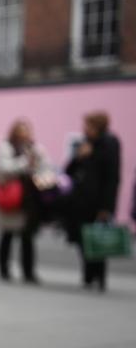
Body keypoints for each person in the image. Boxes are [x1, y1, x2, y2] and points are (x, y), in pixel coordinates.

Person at [64, 111, 121, 292]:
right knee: (83, 238)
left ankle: (100, 277)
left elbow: (112, 178)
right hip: (81, 201)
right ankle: (88, 275)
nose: (85, 129)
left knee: (99, 239)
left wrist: (107, 207)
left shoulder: (110, 144)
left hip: (98, 201)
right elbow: (69, 171)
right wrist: (78, 157)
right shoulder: (84, 145)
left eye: (88, 126)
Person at [0, 119, 48, 284]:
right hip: (12, 197)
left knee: (27, 236)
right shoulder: (6, 147)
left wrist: (37, 164)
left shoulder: (35, 148)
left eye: (26, 131)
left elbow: (45, 166)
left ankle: (28, 271)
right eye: (21, 130)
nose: (24, 134)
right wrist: (25, 163)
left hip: (29, 198)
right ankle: (3, 269)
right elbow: (3, 168)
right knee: (7, 234)